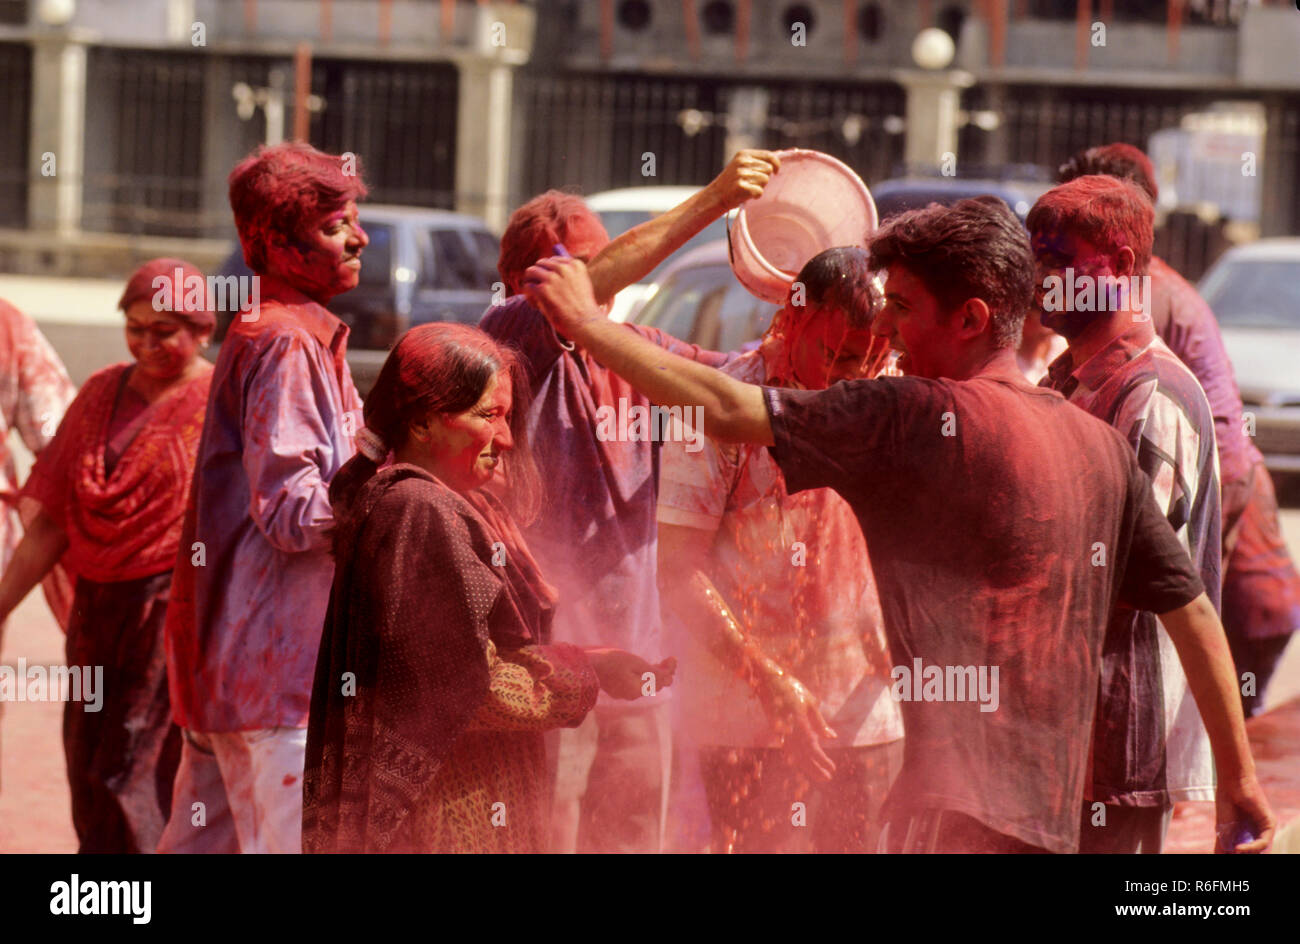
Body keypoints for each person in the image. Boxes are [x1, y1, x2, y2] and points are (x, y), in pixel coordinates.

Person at [521, 195, 1274, 854]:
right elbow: (1194, 609)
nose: (887, 338)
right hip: (1048, 814)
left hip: (947, 811)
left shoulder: (915, 414)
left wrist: (587, 321)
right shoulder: (1094, 445)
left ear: (972, 318)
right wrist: (1238, 778)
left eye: (904, 310)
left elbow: (722, 411)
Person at [479, 149, 777, 853]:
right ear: (517, 283)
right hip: (549, 666)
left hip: (643, 660)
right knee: (544, 835)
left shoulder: (635, 350)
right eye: (574, 268)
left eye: (601, 265)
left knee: (635, 836)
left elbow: (744, 384)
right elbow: (573, 299)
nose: (596, 286)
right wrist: (715, 198)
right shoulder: (506, 342)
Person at [302, 323, 673, 853]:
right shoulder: (419, 510)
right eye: (488, 416)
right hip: (442, 815)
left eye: (506, 417)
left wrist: (597, 657)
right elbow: (466, 687)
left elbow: (457, 655)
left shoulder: (441, 503)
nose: (507, 439)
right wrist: (588, 672)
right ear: (424, 421)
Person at [657, 247, 903, 853]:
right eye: (836, 356)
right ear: (793, 319)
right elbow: (677, 572)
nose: (854, 378)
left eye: (871, 359)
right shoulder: (716, 407)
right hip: (744, 721)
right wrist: (771, 685)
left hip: (869, 715)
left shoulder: (893, 394)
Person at [158, 143, 367, 854]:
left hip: (237, 665)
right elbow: (290, 513)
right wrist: (394, 494)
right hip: (279, 671)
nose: (359, 238)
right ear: (275, 243)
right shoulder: (284, 341)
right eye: (338, 226)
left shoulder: (286, 331)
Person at [1058, 142, 1300, 718]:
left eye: (1072, 225)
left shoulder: (1139, 301)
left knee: (1179, 708)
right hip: (1239, 527)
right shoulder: (1143, 290)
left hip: (1237, 535)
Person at [1028, 175, 1220, 853]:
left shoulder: (1150, 398)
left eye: (1060, 260)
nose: (1042, 277)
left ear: (1123, 268)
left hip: (1119, 745)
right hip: (1066, 740)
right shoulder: (1068, 382)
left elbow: (1136, 580)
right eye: (1037, 257)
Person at [0, 259, 213, 853]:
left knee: (133, 771)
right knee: (87, 764)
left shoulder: (218, 403)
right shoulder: (100, 394)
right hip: (96, 612)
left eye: (165, 331)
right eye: (135, 328)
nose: (147, 344)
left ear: (202, 329)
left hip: (170, 615)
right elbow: (50, 524)